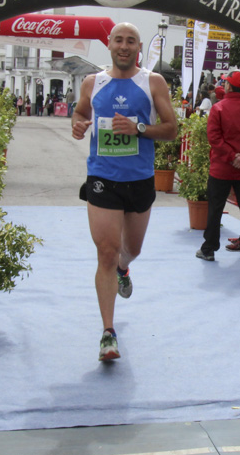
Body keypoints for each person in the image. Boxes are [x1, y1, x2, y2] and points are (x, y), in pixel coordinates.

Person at [71, 22, 177, 362]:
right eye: (119, 40)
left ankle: (123, 268)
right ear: (109, 44)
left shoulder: (153, 82)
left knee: (131, 249)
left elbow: (172, 129)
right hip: (102, 176)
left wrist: (138, 128)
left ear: (138, 47)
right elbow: (81, 111)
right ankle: (107, 333)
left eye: (131, 41)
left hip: (140, 178)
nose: (124, 46)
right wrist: (77, 123)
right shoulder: (92, 82)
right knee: (105, 250)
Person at [197, 70, 240, 262]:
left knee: (215, 208)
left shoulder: (218, 108)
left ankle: (209, 249)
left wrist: (231, 156)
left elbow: (214, 138)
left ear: (228, 86)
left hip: (221, 168)